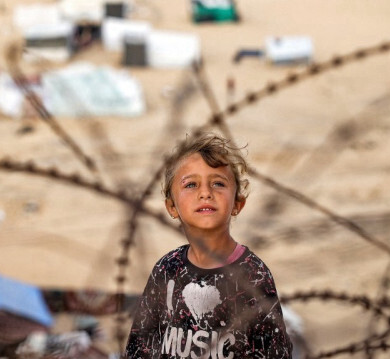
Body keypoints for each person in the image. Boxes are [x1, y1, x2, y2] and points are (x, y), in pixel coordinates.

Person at [125, 133, 293, 359]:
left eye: (218, 183)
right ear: (172, 207)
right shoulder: (166, 270)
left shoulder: (253, 276)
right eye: (191, 184)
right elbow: (139, 348)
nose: (205, 193)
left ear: (237, 204)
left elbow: (275, 354)